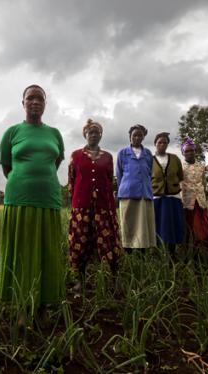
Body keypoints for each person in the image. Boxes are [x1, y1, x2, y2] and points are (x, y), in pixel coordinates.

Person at [0, 85, 65, 320]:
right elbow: (7, 167)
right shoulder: (12, 132)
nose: (35, 102)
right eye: (30, 98)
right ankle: (19, 302)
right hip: (18, 198)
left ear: (45, 104)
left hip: (48, 198)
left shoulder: (55, 134)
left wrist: (40, 179)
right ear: (23, 103)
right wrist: (25, 181)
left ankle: (43, 304)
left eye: (40, 98)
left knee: (47, 251)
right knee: (20, 250)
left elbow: (55, 163)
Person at [68, 119, 121, 291]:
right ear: (85, 134)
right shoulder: (76, 155)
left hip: (103, 206)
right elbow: (71, 181)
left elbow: (109, 179)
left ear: (101, 135)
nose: (93, 135)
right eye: (90, 132)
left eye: (97, 132)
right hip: (82, 206)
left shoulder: (107, 157)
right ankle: (80, 280)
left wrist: (110, 203)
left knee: (108, 241)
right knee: (80, 241)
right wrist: (76, 200)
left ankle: (113, 278)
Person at [116, 124, 156, 252]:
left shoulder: (148, 154)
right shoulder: (123, 153)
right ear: (130, 137)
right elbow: (119, 174)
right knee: (128, 224)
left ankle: (142, 251)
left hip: (144, 193)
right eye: (134, 135)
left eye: (140, 135)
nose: (137, 137)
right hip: (127, 193)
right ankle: (128, 251)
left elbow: (150, 172)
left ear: (143, 137)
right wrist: (124, 188)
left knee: (142, 225)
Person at [152, 132, 184, 255]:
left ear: (167, 144)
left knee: (173, 225)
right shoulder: (150, 160)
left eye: (165, 142)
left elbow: (180, 176)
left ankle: (172, 252)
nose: (162, 144)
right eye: (159, 142)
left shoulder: (175, 159)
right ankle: (158, 252)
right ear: (155, 144)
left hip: (173, 197)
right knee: (158, 225)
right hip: (157, 197)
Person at [180, 138, 208, 249]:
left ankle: (203, 254)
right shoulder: (180, 167)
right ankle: (187, 254)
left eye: (191, 150)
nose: (189, 153)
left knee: (203, 231)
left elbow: (203, 183)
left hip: (200, 202)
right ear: (183, 153)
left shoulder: (201, 166)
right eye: (186, 151)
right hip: (187, 203)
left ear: (195, 151)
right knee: (187, 230)